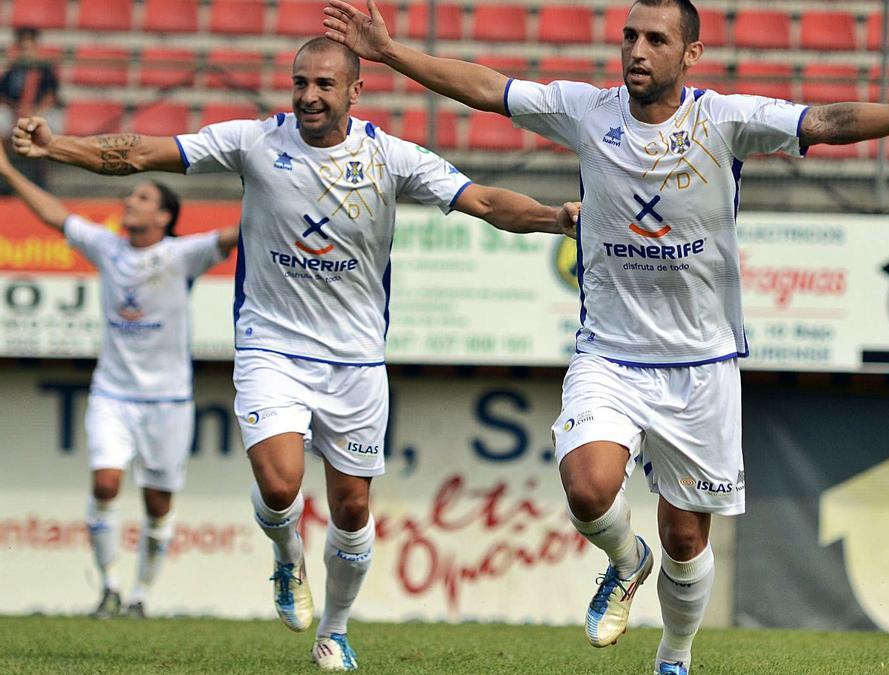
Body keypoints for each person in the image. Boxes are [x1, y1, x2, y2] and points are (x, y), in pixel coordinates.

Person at [322, 1, 889, 671]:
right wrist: (392, 52)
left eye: (655, 39)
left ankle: (674, 654)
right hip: (609, 352)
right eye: (629, 37)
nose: (637, 50)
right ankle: (624, 560)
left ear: (689, 55)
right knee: (587, 489)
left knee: (684, 536)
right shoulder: (588, 110)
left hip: (701, 363)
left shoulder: (725, 120)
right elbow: (487, 89)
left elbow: (824, 121)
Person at [13, 36, 574, 671]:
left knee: (353, 506)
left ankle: (333, 631)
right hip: (270, 347)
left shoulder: (390, 157)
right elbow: (141, 152)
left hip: (356, 361)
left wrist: (556, 217)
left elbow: (485, 201)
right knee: (280, 486)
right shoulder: (254, 142)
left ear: (354, 92)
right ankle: (287, 560)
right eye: (300, 82)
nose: (308, 95)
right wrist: (55, 146)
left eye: (323, 85)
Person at [0, 141, 238, 619]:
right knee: (106, 483)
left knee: (157, 504)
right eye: (132, 196)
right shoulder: (107, 246)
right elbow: (53, 214)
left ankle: (140, 595)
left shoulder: (181, 255)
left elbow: (235, 235)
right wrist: (6, 167)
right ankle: (109, 586)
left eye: (143, 197)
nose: (129, 201)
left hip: (167, 401)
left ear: (165, 218)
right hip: (112, 393)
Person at [1, 27, 61, 188]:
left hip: (39, 111)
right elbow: (3, 95)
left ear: (35, 46)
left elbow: (51, 97)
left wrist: (34, 112)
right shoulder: (13, 70)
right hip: (15, 110)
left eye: (29, 46)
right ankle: (6, 173)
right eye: (23, 47)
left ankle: (42, 176)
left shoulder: (45, 69)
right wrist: (16, 109)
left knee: (50, 125)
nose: (26, 51)